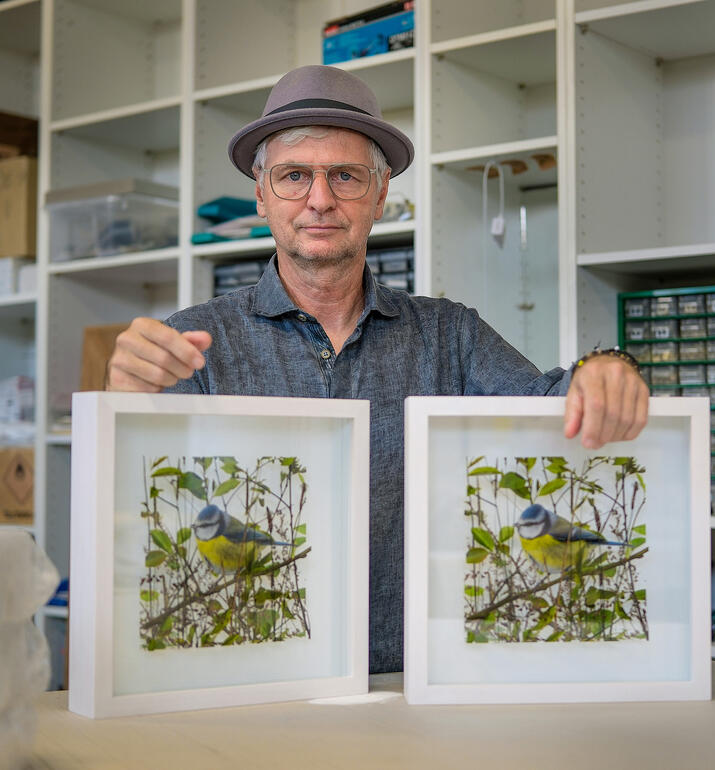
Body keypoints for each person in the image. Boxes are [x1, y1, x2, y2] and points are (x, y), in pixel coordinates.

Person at [106, 65, 649, 673]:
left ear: (381, 195)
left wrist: (607, 368)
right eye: (293, 176)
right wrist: (122, 405)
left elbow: (557, 407)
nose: (320, 199)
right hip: (245, 676)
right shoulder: (192, 341)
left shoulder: (451, 333)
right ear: (261, 194)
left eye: (345, 176)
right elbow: (140, 524)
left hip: (413, 680)